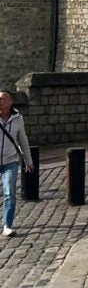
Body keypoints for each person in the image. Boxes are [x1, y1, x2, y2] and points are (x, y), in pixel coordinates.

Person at [0, 91, 33, 237]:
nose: (0, 101)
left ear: (10, 101)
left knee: (9, 193)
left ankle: (7, 225)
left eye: (3, 98)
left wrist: (28, 160)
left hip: (10, 161)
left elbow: (23, 140)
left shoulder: (18, 119)